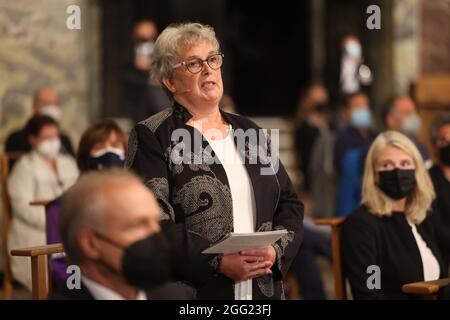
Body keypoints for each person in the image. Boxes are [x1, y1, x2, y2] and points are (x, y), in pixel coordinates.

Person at [126, 22, 304, 300]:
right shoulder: (153, 135)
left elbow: (289, 202)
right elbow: (150, 219)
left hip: (262, 289)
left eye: (212, 59)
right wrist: (217, 261)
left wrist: (275, 251)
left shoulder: (250, 132)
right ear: (169, 81)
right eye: (193, 64)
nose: (208, 69)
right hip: (197, 291)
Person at [54, 170, 192, 300]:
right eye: (139, 224)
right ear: (90, 244)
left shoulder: (178, 296)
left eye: (156, 222)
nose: (156, 234)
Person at [341, 131, 448, 299]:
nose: (397, 171)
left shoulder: (420, 217)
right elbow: (369, 290)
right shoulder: (363, 225)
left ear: (416, 171)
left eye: (405, 163)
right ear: (374, 175)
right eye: (387, 165)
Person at [46, 120, 128, 287]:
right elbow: (61, 264)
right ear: (85, 156)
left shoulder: (139, 201)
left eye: (114, 144)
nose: (109, 152)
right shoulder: (61, 206)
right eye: (99, 146)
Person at [7, 115, 79, 291]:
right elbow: (22, 206)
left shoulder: (68, 162)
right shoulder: (25, 167)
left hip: (69, 229)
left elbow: (80, 194)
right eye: (47, 138)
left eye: (55, 137)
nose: (53, 142)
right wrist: (54, 221)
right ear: (33, 139)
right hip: (37, 231)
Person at [334, 91, 377, 216]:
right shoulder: (341, 141)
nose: (363, 110)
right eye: (357, 107)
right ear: (345, 112)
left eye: (365, 106)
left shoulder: (376, 136)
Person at [5, 87, 75, 161]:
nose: (52, 108)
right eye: (47, 103)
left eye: (55, 104)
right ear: (34, 107)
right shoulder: (16, 138)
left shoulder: (64, 139)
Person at [123, 20, 171, 123]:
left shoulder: (162, 52)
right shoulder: (128, 53)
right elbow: (124, 77)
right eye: (143, 39)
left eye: (151, 38)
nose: (147, 42)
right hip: (137, 102)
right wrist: (139, 67)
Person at [428, 114, 450, 270]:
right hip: (442, 255)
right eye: (444, 140)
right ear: (435, 145)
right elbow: (435, 225)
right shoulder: (427, 179)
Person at [383, 95, 430, 161]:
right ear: (390, 119)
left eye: (414, 112)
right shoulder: (382, 148)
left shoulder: (420, 148)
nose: (413, 117)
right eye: (407, 112)